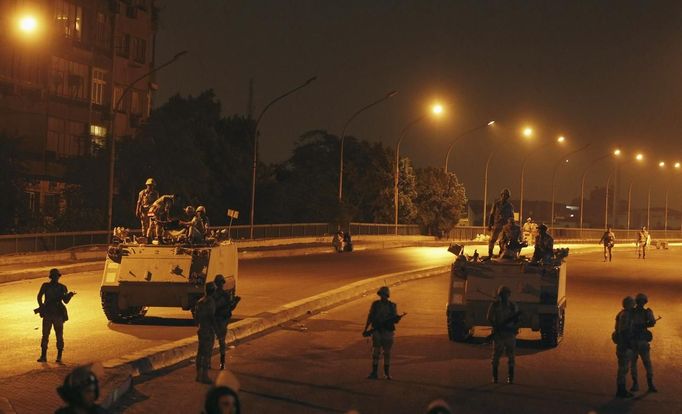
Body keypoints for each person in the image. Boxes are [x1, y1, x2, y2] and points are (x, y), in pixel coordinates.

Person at [363, 286, 403, 380]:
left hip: (388, 331)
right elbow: (370, 317)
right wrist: (366, 329)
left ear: (387, 295)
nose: (382, 297)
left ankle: (387, 374)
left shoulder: (392, 305)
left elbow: (395, 320)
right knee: (376, 352)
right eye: (381, 295)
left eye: (384, 295)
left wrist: (397, 318)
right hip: (377, 330)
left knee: (387, 353)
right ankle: (374, 373)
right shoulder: (375, 304)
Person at [36, 268, 76, 363]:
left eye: (56, 276)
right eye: (55, 276)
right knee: (54, 335)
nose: (55, 278)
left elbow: (39, 297)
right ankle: (55, 357)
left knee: (48, 335)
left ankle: (46, 356)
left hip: (52, 314)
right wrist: (70, 295)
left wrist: (42, 306)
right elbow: (65, 301)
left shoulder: (46, 286)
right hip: (54, 314)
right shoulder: (61, 287)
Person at [486, 285, 519, 384]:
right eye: (503, 294)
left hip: (509, 334)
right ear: (500, 295)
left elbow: (517, 319)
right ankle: (495, 377)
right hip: (499, 335)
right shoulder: (495, 305)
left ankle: (510, 378)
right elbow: (489, 317)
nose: (505, 296)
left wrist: (514, 328)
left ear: (509, 295)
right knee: (495, 357)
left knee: (511, 357)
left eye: (506, 294)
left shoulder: (513, 306)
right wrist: (496, 326)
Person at [630, 293, 658, 393]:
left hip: (634, 340)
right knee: (646, 363)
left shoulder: (631, 312)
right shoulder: (647, 312)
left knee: (634, 363)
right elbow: (652, 323)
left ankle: (636, 384)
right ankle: (649, 384)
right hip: (640, 340)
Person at [213, 274, 241, 370]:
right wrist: (236, 302)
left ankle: (211, 362)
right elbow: (231, 308)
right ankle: (222, 363)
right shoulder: (225, 295)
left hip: (216, 320)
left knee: (211, 342)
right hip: (222, 320)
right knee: (221, 342)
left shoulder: (212, 295)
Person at [195, 282, 218, 384]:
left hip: (201, 328)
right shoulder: (211, 301)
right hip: (208, 330)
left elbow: (196, 316)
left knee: (200, 353)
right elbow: (211, 316)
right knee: (207, 353)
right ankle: (205, 376)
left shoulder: (200, 301)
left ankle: (198, 375)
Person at [614, 296, 636, 398]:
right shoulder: (626, 315)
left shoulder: (622, 313)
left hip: (622, 345)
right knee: (623, 369)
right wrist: (627, 345)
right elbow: (624, 331)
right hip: (624, 345)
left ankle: (621, 390)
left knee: (623, 369)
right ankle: (621, 391)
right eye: (633, 303)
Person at [487, 188, 515, 258]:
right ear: (501, 195)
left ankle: (501, 253)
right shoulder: (496, 204)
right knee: (492, 240)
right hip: (496, 224)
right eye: (503, 195)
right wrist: (490, 224)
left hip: (505, 226)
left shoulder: (510, 206)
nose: (504, 197)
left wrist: (511, 225)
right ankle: (490, 253)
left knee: (503, 241)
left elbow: (512, 216)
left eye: (506, 195)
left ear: (508, 197)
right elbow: (492, 214)